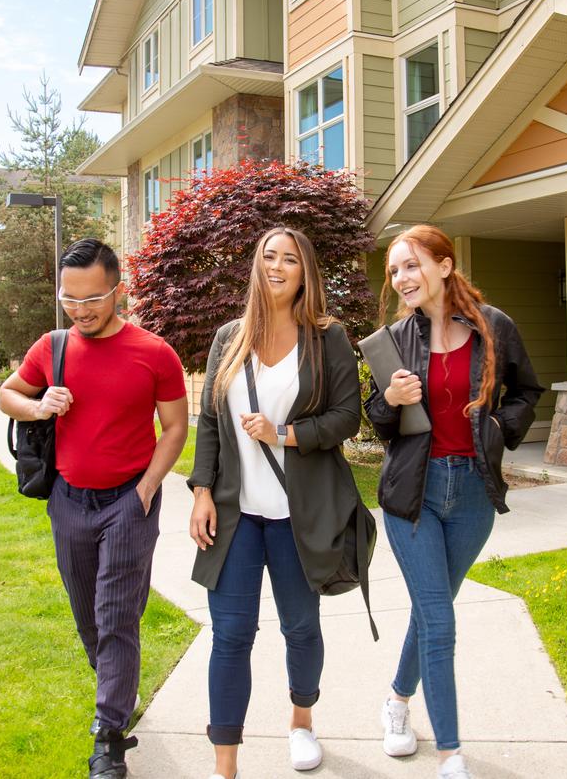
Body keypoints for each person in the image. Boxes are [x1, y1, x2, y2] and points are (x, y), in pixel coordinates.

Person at [0, 238, 189, 779]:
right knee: (88, 615)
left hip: (129, 501)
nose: (80, 310)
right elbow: (8, 394)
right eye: (70, 299)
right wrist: (39, 404)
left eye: (92, 298)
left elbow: (175, 427)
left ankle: (108, 737)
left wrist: (149, 487)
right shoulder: (53, 345)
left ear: (119, 291)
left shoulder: (155, 353)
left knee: (116, 615)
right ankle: (115, 686)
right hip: (68, 501)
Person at [363, 224, 543, 779]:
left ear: (444, 265)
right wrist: (389, 400)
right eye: (394, 270)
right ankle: (449, 754)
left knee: (430, 610)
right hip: (411, 497)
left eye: (411, 265)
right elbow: (380, 422)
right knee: (440, 620)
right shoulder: (394, 338)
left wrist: (495, 428)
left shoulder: (494, 328)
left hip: (471, 495)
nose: (401, 278)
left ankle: (397, 700)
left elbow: (528, 391)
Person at [186, 227, 363, 779]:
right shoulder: (228, 338)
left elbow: (346, 418)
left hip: (296, 516)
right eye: (269, 257)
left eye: (290, 259)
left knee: (301, 628)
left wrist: (283, 433)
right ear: (256, 266)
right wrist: (201, 491)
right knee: (231, 635)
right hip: (236, 518)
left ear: (306, 271)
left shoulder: (328, 337)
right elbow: (212, 421)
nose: (278, 266)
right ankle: (225, 766)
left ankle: (302, 721)